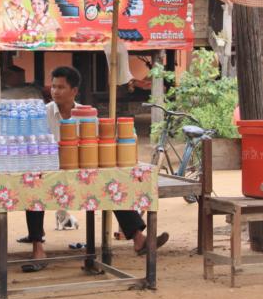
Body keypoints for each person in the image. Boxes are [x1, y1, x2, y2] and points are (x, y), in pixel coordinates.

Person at [20, 65, 168, 273]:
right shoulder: (41, 114)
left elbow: (100, 142)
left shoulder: (86, 115)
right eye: (53, 87)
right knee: (34, 188)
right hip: (49, 172)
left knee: (111, 184)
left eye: (61, 87)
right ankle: (38, 248)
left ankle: (138, 238)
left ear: (74, 91)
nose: (55, 91)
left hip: (80, 174)